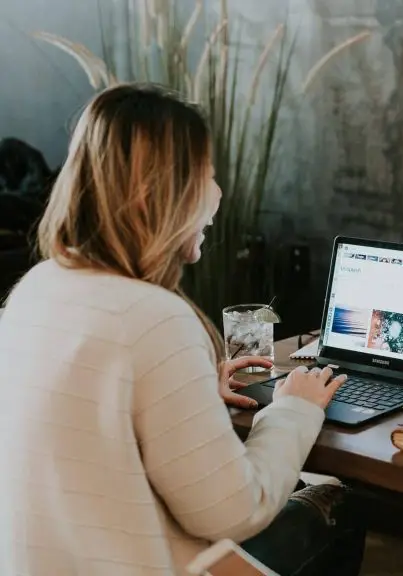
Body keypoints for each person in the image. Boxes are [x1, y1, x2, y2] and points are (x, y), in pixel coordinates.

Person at [0, 84, 366, 576]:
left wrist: (189, 389)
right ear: (160, 194)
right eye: (207, 176)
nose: (217, 195)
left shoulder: (35, 288)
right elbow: (237, 510)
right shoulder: (154, 317)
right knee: (338, 506)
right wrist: (294, 410)